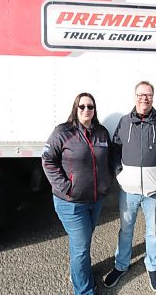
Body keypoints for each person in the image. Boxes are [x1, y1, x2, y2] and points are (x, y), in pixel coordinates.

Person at [103, 81, 156, 292]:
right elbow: (115, 149)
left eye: (148, 95)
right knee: (126, 230)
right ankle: (121, 266)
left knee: (153, 231)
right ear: (134, 96)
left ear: (153, 97)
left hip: (154, 191)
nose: (144, 98)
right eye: (140, 94)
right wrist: (119, 172)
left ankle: (152, 267)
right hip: (129, 191)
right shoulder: (124, 122)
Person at [42, 92, 113, 295]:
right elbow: (47, 160)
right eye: (82, 107)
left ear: (94, 110)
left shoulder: (101, 132)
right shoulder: (63, 132)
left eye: (90, 107)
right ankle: (84, 290)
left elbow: (109, 159)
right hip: (71, 203)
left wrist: (108, 181)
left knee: (83, 242)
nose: (86, 110)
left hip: (96, 199)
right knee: (81, 246)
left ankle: (79, 272)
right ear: (76, 108)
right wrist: (66, 188)